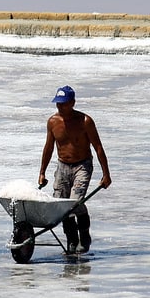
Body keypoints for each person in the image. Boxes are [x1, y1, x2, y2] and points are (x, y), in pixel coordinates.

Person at [38, 86, 111, 254]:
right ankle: (72, 239)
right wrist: (42, 172)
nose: (60, 107)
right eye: (58, 104)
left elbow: (98, 147)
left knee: (75, 202)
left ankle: (84, 235)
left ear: (72, 103)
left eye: (63, 104)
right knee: (60, 204)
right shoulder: (53, 122)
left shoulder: (85, 121)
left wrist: (106, 174)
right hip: (63, 165)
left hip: (82, 165)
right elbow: (48, 148)